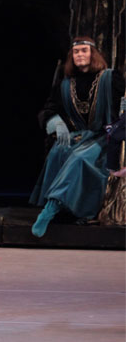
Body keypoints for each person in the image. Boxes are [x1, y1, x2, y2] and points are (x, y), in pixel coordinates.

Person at [30, 36, 124, 236]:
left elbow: (121, 107)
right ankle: (64, 210)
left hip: (105, 136)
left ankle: (52, 207)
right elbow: (49, 108)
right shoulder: (65, 84)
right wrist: (55, 122)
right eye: (76, 52)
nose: (80, 54)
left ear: (93, 54)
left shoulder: (110, 77)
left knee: (80, 158)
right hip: (79, 135)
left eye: (84, 51)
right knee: (59, 151)